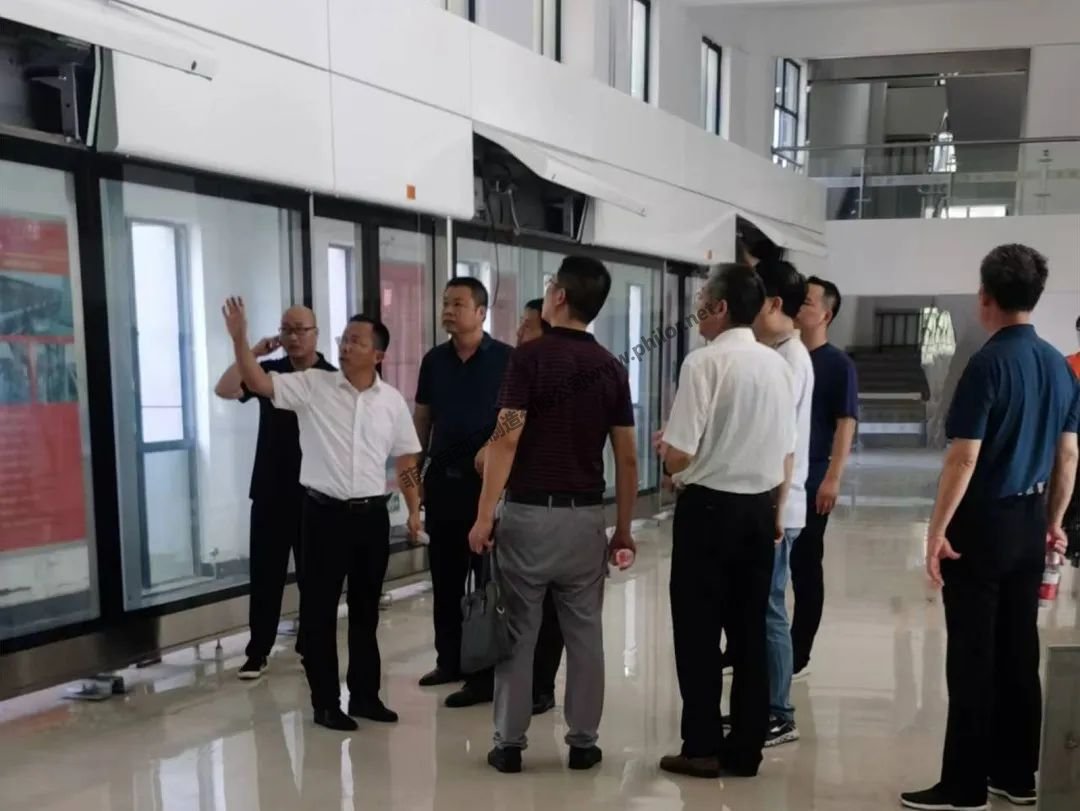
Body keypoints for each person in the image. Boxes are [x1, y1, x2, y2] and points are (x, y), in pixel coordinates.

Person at [901, 244, 1080, 811]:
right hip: (1029, 522)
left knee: (973, 655)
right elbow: (1068, 454)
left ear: (985, 297)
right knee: (1018, 650)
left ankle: (964, 786)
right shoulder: (1058, 365)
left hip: (983, 524)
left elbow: (964, 458)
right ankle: (1017, 774)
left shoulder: (987, 364)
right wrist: (1054, 521)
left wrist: (936, 531)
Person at [467, 256, 638, 774]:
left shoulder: (528, 359)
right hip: (585, 521)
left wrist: (484, 515)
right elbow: (627, 458)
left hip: (528, 517)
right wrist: (623, 529)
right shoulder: (612, 367)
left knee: (519, 632)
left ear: (559, 297)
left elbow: (506, 438)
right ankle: (583, 743)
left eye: (548, 286)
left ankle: (509, 744)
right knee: (585, 634)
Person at [223, 299, 423, 732]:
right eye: (344, 339)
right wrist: (240, 340)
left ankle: (366, 696)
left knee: (366, 612)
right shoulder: (314, 385)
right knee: (319, 613)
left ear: (378, 355)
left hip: (371, 518)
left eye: (357, 341)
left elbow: (406, 459)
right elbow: (256, 382)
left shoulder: (391, 401)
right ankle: (326, 703)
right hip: (323, 516)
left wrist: (413, 509)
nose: (346, 346)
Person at [657, 264, 796, 780]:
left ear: (719, 308)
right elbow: (786, 451)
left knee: (697, 632)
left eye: (701, 300)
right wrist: (777, 511)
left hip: (708, 511)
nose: (696, 309)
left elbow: (680, 454)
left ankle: (701, 747)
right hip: (758, 510)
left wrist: (668, 455)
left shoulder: (704, 363)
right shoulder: (777, 366)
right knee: (749, 632)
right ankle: (746, 751)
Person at [213, 306, 335, 680]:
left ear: (315, 333)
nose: (293, 337)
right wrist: (253, 350)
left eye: (301, 329)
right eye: (286, 330)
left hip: (316, 491)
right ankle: (258, 651)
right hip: (270, 488)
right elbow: (225, 388)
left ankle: (310, 646)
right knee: (266, 575)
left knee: (315, 577)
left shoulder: (331, 377)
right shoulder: (269, 372)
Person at [413, 278, 512, 708]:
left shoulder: (506, 360)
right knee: (445, 578)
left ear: (481, 312)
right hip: (443, 484)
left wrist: (496, 455)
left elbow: (516, 421)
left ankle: (483, 674)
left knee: (486, 581)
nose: (448, 311)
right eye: (445, 303)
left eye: (458, 304)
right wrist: (415, 475)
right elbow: (422, 420)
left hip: (487, 487)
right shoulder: (434, 361)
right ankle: (448, 660)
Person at [473, 298, 565, 715]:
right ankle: (521, 685)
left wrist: (484, 512)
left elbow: (506, 438)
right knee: (533, 607)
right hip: (556, 510)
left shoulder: (534, 373)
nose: (518, 334)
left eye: (526, 326)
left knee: (537, 608)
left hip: (532, 509)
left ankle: (533, 691)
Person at [751, 260, 814, 748]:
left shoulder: (790, 358)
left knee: (771, 609)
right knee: (761, 608)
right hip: (776, 501)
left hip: (780, 505)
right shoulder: (779, 353)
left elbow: (783, 444)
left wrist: (774, 511)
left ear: (774, 304)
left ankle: (779, 712)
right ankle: (762, 706)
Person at [792, 276, 859, 676]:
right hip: (780, 476)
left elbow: (845, 423)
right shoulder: (784, 354)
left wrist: (833, 477)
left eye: (808, 302)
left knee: (804, 565)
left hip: (814, 474)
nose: (800, 306)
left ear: (826, 315)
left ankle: (799, 652)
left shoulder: (837, 365)